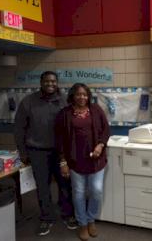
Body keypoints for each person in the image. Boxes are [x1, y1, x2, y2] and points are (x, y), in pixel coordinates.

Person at [14, 71, 76, 236]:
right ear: (41, 83)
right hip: (37, 152)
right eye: (47, 81)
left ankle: (67, 214)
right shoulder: (28, 102)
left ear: (57, 83)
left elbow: (72, 125)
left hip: (61, 153)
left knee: (65, 184)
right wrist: (22, 152)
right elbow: (19, 128)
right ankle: (46, 218)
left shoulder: (64, 101)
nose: (50, 84)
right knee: (43, 186)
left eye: (53, 81)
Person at [55, 83, 110, 241]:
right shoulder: (64, 114)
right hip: (75, 161)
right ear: (72, 95)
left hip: (96, 160)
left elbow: (106, 130)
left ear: (88, 96)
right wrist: (63, 161)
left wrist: (100, 145)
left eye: (85, 94)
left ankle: (91, 219)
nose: (82, 97)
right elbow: (59, 140)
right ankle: (83, 223)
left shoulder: (96, 110)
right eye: (78, 94)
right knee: (78, 194)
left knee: (96, 190)